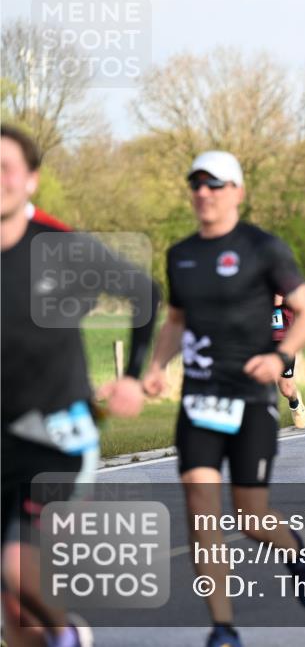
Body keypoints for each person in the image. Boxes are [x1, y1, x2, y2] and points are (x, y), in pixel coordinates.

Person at [142, 151, 305, 647]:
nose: (204, 193)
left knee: (251, 518)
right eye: (196, 184)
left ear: (237, 192)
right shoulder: (181, 253)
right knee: (201, 511)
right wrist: (157, 367)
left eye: (215, 185)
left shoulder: (262, 248)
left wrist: (279, 355)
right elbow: (176, 320)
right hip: (199, 400)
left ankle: (296, 553)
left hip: (250, 399)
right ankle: (223, 627)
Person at [1, 125, 159, 647]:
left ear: (31, 181)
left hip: (56, 437)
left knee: (18, 571)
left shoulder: (59, 247)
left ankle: (69, 635)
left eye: (6, 168)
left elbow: (145, 292)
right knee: (14, 614)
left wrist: (132, 377)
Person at [272, 293, 305, 428]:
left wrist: (284, 298)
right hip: (257, 335)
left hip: (282, 337)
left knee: (286, 389)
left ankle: (295, 403)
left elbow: (302, 300)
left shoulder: (282, 273)